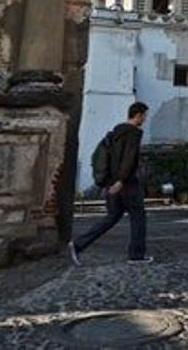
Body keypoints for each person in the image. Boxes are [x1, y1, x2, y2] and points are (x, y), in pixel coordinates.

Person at [69, 102, 152, 264]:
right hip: (126, 183)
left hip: (111, 182)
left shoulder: (115, 132)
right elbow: (129, 159)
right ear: (138, 115)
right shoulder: (133, 133)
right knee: (138, 217)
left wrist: (113, 182)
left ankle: (78, 244)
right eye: (144, 115)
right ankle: (136, 255)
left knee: (112, 217)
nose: (145, 119)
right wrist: (121, 180)